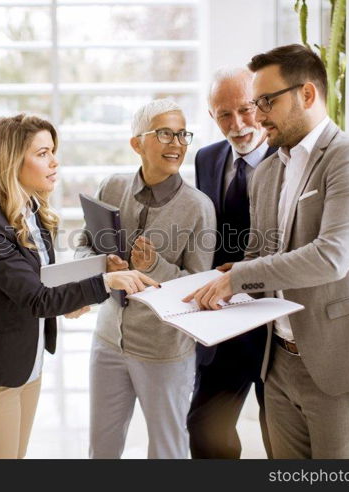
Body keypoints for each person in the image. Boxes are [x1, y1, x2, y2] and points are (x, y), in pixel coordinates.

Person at [184, 44, 349, 458]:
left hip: (342, 360)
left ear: (306, 95)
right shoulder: (270, 169)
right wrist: (222, 278)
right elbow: (262, 252)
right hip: (280, 361)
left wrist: (237, 277)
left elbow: (330, 258)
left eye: (266, 101)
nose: (258, 114)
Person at [0, 113, 158, 459]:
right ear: (12, 159)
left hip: (26, 364)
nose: (54, 161)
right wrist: (105, 282)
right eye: (43, 153)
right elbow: (35, 298)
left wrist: (95, 271)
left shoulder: (31, 212)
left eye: (53, 151)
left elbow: (38, 279)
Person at [76, 99, 216, 459]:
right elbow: (83, 244)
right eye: (165, 133)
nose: (177, 143)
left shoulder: (199, 207)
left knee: (168, 451)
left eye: (182, 134)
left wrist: (155, 266)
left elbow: (201, 288)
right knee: (101, 449)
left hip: (163, 351)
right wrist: (99, 264)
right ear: (137, 143)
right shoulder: (111, 186)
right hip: (109, 340)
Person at [187, 67, 276, 459]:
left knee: (280, 436)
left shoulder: (290, 155)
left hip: (276, 319)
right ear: (211, 116)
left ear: (262, 105)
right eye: (224, 114)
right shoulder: (207, 158)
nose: (237, 124)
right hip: (223, 320)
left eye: (245, 110)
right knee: (205, 426)